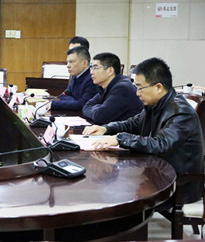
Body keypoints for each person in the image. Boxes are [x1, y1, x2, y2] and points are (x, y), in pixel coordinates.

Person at [83, 57, 204, 204]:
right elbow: (133, 124)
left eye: (140, 88)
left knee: (116, 194)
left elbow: (161, 144)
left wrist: (120, 138)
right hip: (157, 172)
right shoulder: (155, 104)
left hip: (179, 184)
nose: (137, 93)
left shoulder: (181, 112)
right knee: (110, 187)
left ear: (158, 87)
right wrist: (106, 128)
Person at [82, 52, 143, 124]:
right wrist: (98, 108)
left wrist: (97, 107)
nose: (91, 72)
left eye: (95, 68)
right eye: (91, 68)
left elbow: (100, 117)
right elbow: (86, 106)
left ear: (110, 71)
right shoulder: (106, 86)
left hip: (126, 134)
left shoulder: (122, 88)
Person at [51, 46, 98, 111]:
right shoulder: (76, 75)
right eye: (67, 62)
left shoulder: (92, 78)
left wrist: (52, 104)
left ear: (84, 63)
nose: (68, 65)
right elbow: (64, 94)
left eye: (71, 62)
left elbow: (84, 105)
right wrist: (75, 102)